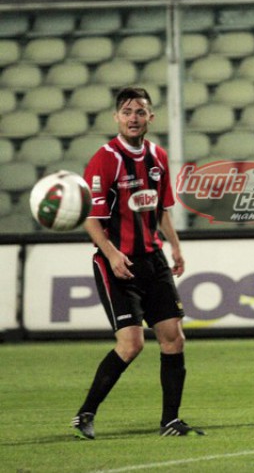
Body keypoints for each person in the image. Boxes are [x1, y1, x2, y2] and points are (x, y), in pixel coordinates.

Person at [72, 87, 204, 439]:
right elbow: (91, 218)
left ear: (150, 117)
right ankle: (86, 412)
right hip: (117, 264)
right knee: (131, 344)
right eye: (127, 111)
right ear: (117, 117)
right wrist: (113, 253)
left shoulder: (158, 156)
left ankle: (170, 420)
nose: (134, 118)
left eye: (140, 112)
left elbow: (160, 210)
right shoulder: (105, 159)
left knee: (173, 338)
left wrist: (175, 248)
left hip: (153, 260)